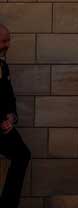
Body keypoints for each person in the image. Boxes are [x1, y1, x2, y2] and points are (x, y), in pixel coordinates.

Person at [0, 25, 31, 208]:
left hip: (4, 126)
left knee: (22, 154)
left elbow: (9, 96)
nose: (7, 45)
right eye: (3, 41)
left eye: (8, 40)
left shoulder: (3, 66)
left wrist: (12, 116)